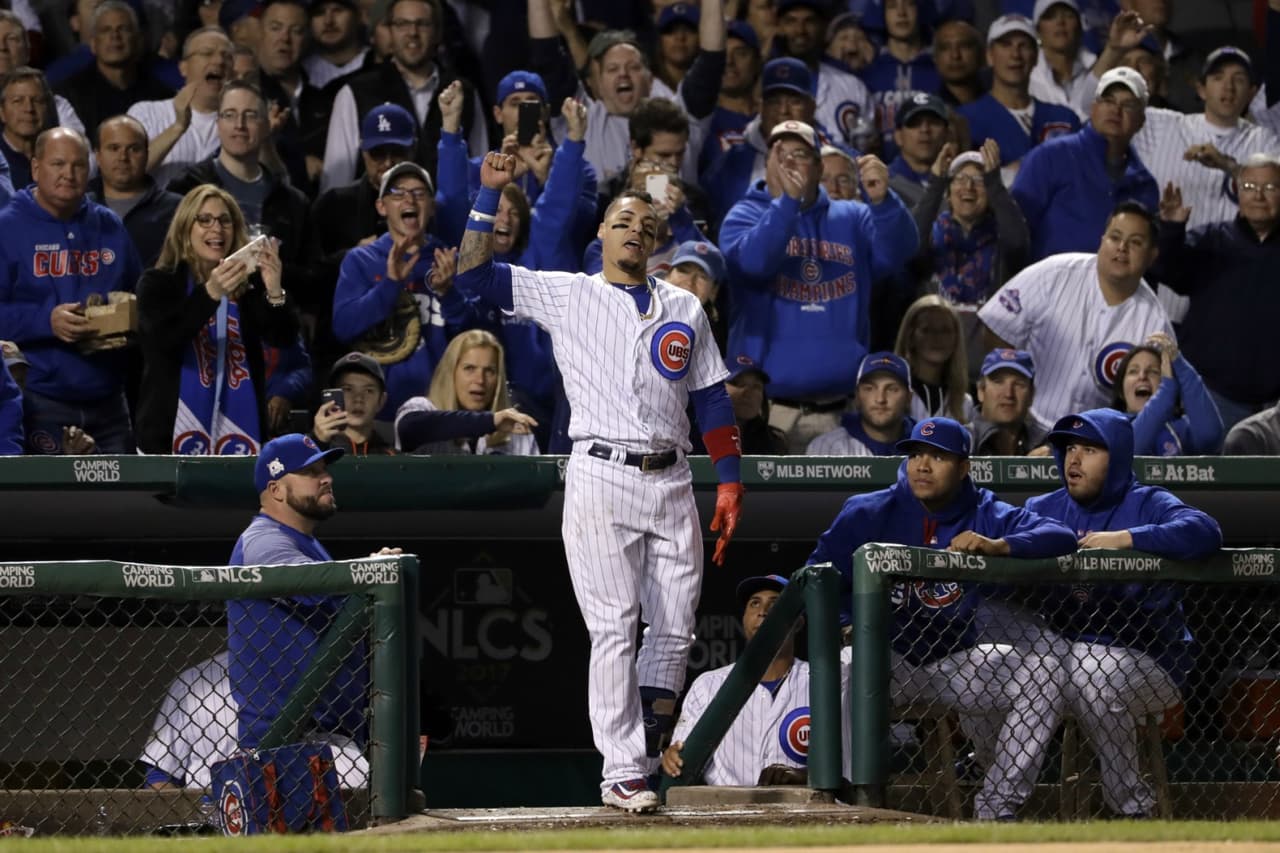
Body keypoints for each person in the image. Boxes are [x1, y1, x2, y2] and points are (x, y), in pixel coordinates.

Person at [453, 152, 745, 812]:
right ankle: (621, 770)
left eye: (645, 222)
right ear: (601, 237)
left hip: (672, 479)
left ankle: (639, 759)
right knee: (615, 627)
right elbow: (472, 275)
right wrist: (487, 193)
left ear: (657, 239)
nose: (635, 229)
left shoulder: (685, 307)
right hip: (600, 475)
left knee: (672, 633)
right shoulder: (570, 292)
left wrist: (728, 482)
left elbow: (714, 399)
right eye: (622, 220)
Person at [807, 417, 1078, 821]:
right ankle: (846, 803)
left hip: (958, 661)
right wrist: (847, 623)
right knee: (844, 667)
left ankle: (997, 807)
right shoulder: (868, 511)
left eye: (938, 456)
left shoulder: (986, 511)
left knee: (1045, 673)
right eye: (916, 454)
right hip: (887, 660)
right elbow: (816, 578)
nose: (923, 465)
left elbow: (1062, 537)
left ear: (964, 466)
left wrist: (999, 545)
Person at [1026, 408, 1222, 818]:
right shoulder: (1042, 507)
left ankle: (1133, 805)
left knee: (1092, 669)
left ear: (1116, 456)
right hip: (1065, 660)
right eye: (1068, 449)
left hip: (1151, 661)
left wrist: (1128, 538)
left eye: (1090, 449)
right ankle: (987, 771)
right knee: (1007, 658)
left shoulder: (1148, 503)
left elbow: (1205, 532)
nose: (1073, 460)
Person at [720, 119, 918, 453]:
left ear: (818, 167)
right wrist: (787, 204)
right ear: (767, 163)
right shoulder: (743, 214)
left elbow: (900, 251)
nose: (789, 163)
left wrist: (884, 202)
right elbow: (755, 263)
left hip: (843, 412)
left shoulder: (852, 216)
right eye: (779, 153)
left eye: (799, 154)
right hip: (769, 413)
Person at [228, 433, 399, 763]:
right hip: (286, 740)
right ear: (275, 489)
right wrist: (369, 571)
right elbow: (322, 589)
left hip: (323, 736)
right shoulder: (262, 541)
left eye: (324, 469)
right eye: (309, 472)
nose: (326, 478)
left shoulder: (306, 543)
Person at [0, 127, 141, 454]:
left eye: (78, 165)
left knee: (120, 505)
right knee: (53, 506)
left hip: (109, 401)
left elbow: (139, 296)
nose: (69, 174)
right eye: (58, 164)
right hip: (40, 400)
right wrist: (45, 321)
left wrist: (123, 319)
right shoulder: (7, 228)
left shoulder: (109, 225)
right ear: (36, 168)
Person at [979, 201, 1173, 432]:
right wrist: (1015, 401)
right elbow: (998, 325)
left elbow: (1159, 399)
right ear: (1102, 241)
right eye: (1115, 237)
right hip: (1027, 423)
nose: (1122, 247)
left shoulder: (1155, 322)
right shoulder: (1053, 274)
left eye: (1135, 242)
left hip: (1097, 439)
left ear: (1152, 256)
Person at [135, 184, 295, 455]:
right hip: (168, 435)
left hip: (241, 430)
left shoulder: (249, 286)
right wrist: (211, 293)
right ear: (186, 227)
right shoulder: (157, 281)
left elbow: (283, 337)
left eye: (224, 220)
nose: (216, 229)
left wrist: (274, 290)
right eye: (204, 220)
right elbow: (162, 342)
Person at [661, 574, 851, 786]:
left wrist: (807, 777)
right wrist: (672, 756)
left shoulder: (823, 682)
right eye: (754, 603)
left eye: (776, 603)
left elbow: (847, 764)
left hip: (802, 809)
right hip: (724, 809)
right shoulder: (707, 685)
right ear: (744, 619)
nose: (763, 611)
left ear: (798, 622)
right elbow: (682, 757)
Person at [332, 161, 477, 420]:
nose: (409, 199)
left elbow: (472, 343)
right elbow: (343, 327)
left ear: (431, 207)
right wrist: (389, 284)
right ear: (381, 206)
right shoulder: (361, 261)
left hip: (440, 412)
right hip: (376, 414)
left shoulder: (449, 260)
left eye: (420, 193)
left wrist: (448, 293)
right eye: (398, 193)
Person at [1151, 155, 1280, 431]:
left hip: (1275, 406)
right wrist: (1172, 229)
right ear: (1237, 193)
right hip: (1213, 396)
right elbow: (1170, 273)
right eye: (1249, 187)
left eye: (1270, 188)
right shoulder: (1212, 240)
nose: (1258, 195)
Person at [166, 80, 311, 308]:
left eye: (250, 115)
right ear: (218, 123)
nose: (239, 125)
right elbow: (171, 261)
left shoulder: (292, 202)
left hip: (270, 322)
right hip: (202, 320)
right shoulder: (186, 187)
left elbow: (309, 277)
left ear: (266, 126)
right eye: (230, 115)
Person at [140, 650, 369, 790]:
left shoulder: (317, 675)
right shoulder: (192, 682)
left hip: (299, 807)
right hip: (210, 812)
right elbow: (159, 776)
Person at [321, 0, 488, 190]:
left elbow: (479, 172)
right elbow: (336, 183)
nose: (413, 33)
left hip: (450, 217)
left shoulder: (464, 92)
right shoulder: (355, 93)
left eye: (422, 24)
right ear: (391, 31)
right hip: (375, 217)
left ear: (438, 33)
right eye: (402, 24)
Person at [1011, 66, 1158, 261]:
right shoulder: (1050, 157)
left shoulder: (1144, 185)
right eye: (1108, 100)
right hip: (1050, 287)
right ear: (1094, 108)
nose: (1116, 110)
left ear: (1141, 120)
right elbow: (1013, 232)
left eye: (1129, 104)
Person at [911, 142, 1030, 377]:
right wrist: (936, 182)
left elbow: (1018, 243)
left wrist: (994, 182)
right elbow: (909, 244)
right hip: (932, 370)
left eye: (979, 180)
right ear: (948, 189)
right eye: (960, 178)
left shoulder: (1001, 239)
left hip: (985, 374)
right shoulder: (931, 236)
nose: (968, 187)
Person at [1133, 47, 1280, 235]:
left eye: (1239, 79)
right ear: (1201, 89)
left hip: (1233, 257)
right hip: (1170, 251)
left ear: (1251, 93)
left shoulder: (1265, 142)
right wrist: (1113, 49)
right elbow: (1094, 106)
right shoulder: (1161, 125)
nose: (1229, 87)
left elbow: (1275, 195)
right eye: (1218, 78)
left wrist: (1229, 166)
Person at [956, 14, 1079, 185]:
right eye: (1006, 45)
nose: (1015, 54)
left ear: (1036, 56)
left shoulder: (1064, 118)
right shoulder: (966, 120)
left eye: (1024, 46)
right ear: (990, 55)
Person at [394, 329, 539, 455]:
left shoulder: (515, 426)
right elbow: (409, 429)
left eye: (489, 371)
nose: (480, 380)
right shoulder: (422, 407)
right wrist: (491, 421)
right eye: (469, 368)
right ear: (450, 373)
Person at [127, 27, 232, 188]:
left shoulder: (242, 123)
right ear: (183, 67)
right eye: (207, 53)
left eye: (227, 56)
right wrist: (178, 127)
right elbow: (128, 172)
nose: (219, 61)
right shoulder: (146, 113)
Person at [54, 1, 173, 137]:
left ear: (138, 40)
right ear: (93, 44)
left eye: (123, 29)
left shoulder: (161, 96)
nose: (115, 36)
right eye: (106, 30)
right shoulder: (69, 96)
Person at [88, 114, 182, 268]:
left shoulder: (177, 209)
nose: (123, 157)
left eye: (134, 149)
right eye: (114, 148)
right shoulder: (77, 206)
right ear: (97, 156)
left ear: (146, 155)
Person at [1111, 333, 1222, 456]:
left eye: (1153, 371)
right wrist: (1166, 391)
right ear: (1121, 391)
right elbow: (1130, 448)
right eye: (1133, 371)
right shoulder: (1110, 426)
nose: (1142, 376)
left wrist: (1178, 362)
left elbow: (1210, 438)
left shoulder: (1182, 428)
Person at [807, 351, 914, 455]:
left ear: (909, 398)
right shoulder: (828, 447)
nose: (880, 399)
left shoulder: (927, 447)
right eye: (869, 388)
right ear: (857, 396)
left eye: (892, 389)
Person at [895, 295, 973, 423]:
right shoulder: (891, 395)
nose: (937, 338)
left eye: (945, 330)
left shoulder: (964, 403)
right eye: (927, 330)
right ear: (910, 337)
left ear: (956, 338)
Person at [311, 351, 396, 456]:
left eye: (368, 391)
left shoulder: (392, 457)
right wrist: (316, 443)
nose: (358, 399)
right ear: (332, 397)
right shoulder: (313, 449)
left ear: (381, 401)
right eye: (348, 389)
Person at [966, 347, 1046, 456]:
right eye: (998, 382)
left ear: (1031, 395)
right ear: (981, 391)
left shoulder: (1050, 444)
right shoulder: (959, 443)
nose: (1008, 394)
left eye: (1019, 384)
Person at [1028, 0, 1097, 120]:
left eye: (1068, 15)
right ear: (1038, 30)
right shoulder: (1026, 76)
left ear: (1080, 26)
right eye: (1050, 16)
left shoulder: (1100, 70)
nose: (1060, 22)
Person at [0, 67, 60, 190]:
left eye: (37, 101)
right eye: (18, 101)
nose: (29, 109)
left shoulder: (59, 154)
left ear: (47, 108)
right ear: (2, 112)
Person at [888, 92, 951, 206]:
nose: (925, 129)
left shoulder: (961, 183)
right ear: (898, 136)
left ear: (947, 133)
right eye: (914, 123)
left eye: (933, 122)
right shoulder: (885, 184)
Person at [304, 0, 374, 91]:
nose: (328, 21)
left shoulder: (378, 61)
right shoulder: (299, 71)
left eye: (337, 10)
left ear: (359, 16)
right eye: (319, 12)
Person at [724, 355, 788, 454]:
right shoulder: (692, 437)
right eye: (737, 383)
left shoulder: (773, 443)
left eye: (756, 386)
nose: (748, 392)